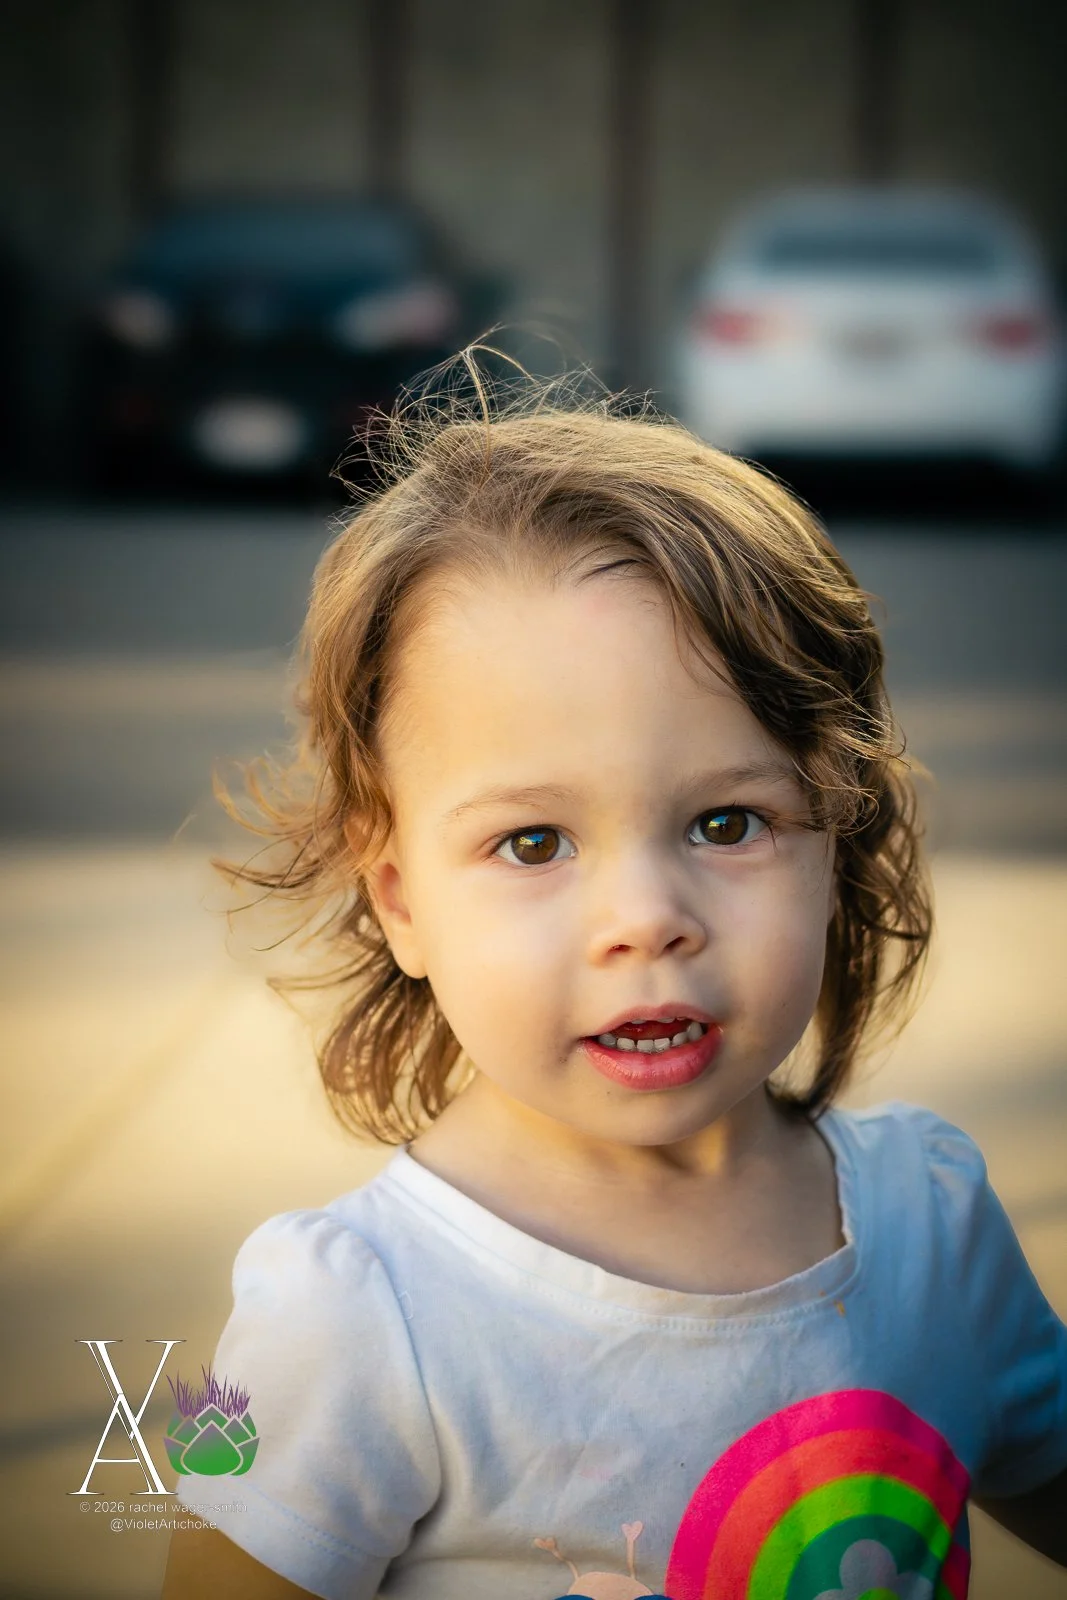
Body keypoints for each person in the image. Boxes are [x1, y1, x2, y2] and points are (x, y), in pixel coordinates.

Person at [161, 367, 1067, 1600]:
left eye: (727, 821)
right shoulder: (366, 1321)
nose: (646, 919)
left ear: (835, 840)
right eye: (532, 843)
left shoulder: (932, 1228)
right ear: (402, 901)